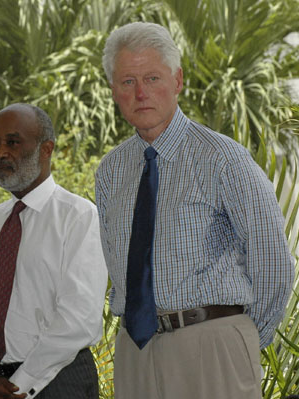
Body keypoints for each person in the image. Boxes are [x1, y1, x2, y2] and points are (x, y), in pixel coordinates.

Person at [94, 21, 294, 398]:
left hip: (211, 348)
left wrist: (238, 337)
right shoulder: (110, 171)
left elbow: (272, 263)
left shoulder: (222, 158)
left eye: (152, 78)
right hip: (135, 352)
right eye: (127, 82)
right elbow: (117, 269)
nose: (141, 93)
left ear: (178, 80)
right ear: (113, 91)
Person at [0, 103, 108, 399]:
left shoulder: (80, 217)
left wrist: (19, 385)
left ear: (46, 149)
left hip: (60, 382)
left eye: (12, 142)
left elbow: (78, 318)